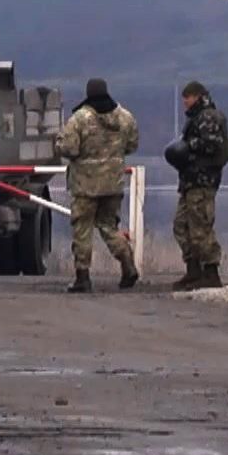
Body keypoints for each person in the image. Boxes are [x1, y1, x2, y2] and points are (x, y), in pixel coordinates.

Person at [53, 77, 142, 294]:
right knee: (109, 226)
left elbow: (69, 149)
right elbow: (132, 145)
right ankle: (127, 263)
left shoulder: (80, 119)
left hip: (85, 185)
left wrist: (58, 143)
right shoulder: (125, 117)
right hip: (113, 183)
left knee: (82, 229)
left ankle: (83, 277)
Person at [165, 80, 228, 291]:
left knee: (200, 226)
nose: (185, 102)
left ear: (197, 96)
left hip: (202, 181)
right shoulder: (197, 118)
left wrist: (187, 147)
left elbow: (212, 144)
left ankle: (210, 271)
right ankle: (193, 270)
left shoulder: (209, 117)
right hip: (190, 180)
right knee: (182, 225)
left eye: (187, 98)